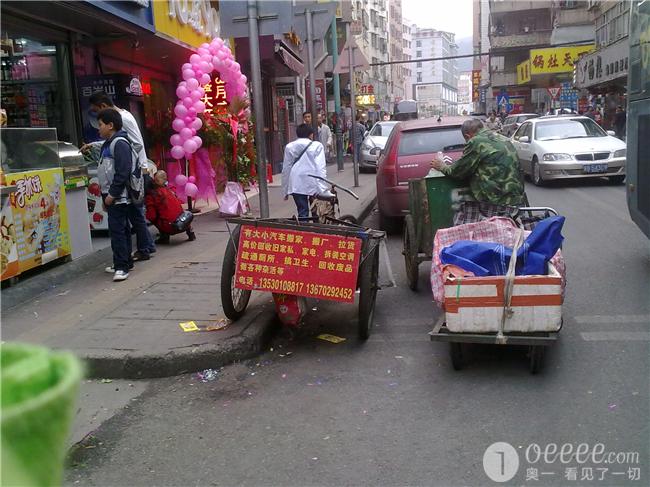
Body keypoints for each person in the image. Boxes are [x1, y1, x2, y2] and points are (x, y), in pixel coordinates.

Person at [83, 92, 155, 261]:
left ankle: (143, 249)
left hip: (135, 173)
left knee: (134, 213)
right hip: (134, 171)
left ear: (103, 106)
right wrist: (94, 146)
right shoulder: (122, 118)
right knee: (133, 213)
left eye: (98, 115)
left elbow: (136, 143)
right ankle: (143, 248)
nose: (98, 121)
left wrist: (136, 165)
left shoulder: (124, 118)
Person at [430, 119, 524, 224]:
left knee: (462, 218)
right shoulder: (503, 139)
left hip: (496, 203)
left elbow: (457, 172)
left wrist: (442, 166)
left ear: (467, 136)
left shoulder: (476, 141)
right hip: (516, 200)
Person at [96, 108, 136, 281]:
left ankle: (122, 267)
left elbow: (122, 172)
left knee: (118, 231)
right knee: (122, 229)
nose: (98, 128)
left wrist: (112, 194)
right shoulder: (109, 143)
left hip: (119, 196)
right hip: (113, 194)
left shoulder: (119, 143)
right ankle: (124, 261)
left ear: (110, 125)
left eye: (100, 125)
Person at [281, 124, 329, 219]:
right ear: (311, 134)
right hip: (313, 182)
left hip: (296, 183)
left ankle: (304, 231)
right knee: (317, 211)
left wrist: (285, 190)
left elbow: (286, 168)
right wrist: (323, 188)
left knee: (302, 212)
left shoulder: (289, 147)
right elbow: (321, 168)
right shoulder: (317, 145)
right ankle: (316, 232)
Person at [145, 170, 196, 244]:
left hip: (171, 226)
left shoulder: (152, 195)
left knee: (154, 217)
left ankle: (164, 236)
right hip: (184, 222)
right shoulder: (169, 190)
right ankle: (190, 233)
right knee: (179, 211)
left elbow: (151, 216)